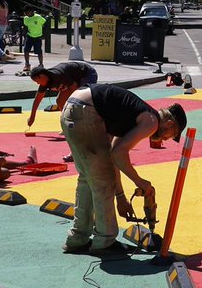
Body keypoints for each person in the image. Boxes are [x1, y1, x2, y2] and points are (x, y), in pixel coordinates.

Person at [59, 85, 186, 254]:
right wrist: (140, 182)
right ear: (169, 124)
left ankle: (77, 238)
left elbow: (113, 157)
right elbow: (118, 154)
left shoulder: (132, 116)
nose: (164, 139)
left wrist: (121, 198)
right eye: (170, 135)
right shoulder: (151, 121)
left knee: (88, 178)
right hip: (86, 110)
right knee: (102, 179)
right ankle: (105, 242)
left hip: (72, 108)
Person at [28, 62, 99, 126]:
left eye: (37, 81)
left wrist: (73, 102)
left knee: (82, 100)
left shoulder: (58, 76)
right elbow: (37, 100)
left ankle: (85, 123)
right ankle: (66, 125)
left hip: (87, 74)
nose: (37, 83)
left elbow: (74, 87)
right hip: (72, 80)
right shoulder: (44, 83)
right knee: (60, 101)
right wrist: (32, 117)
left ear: (42, 76)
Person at [21, 7, 47, 74]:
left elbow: (44, 24)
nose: (27, 14)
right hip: (29, 36)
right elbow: (26, 26)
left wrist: (44, 34)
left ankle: (41, 64)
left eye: (28, 12)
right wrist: (25, 33)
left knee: (39, 51)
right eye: (25, 13)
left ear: (32, 11)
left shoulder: (38, 17)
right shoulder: (26, 18)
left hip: (38, 36)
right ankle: (27, 64)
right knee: (26, 50)